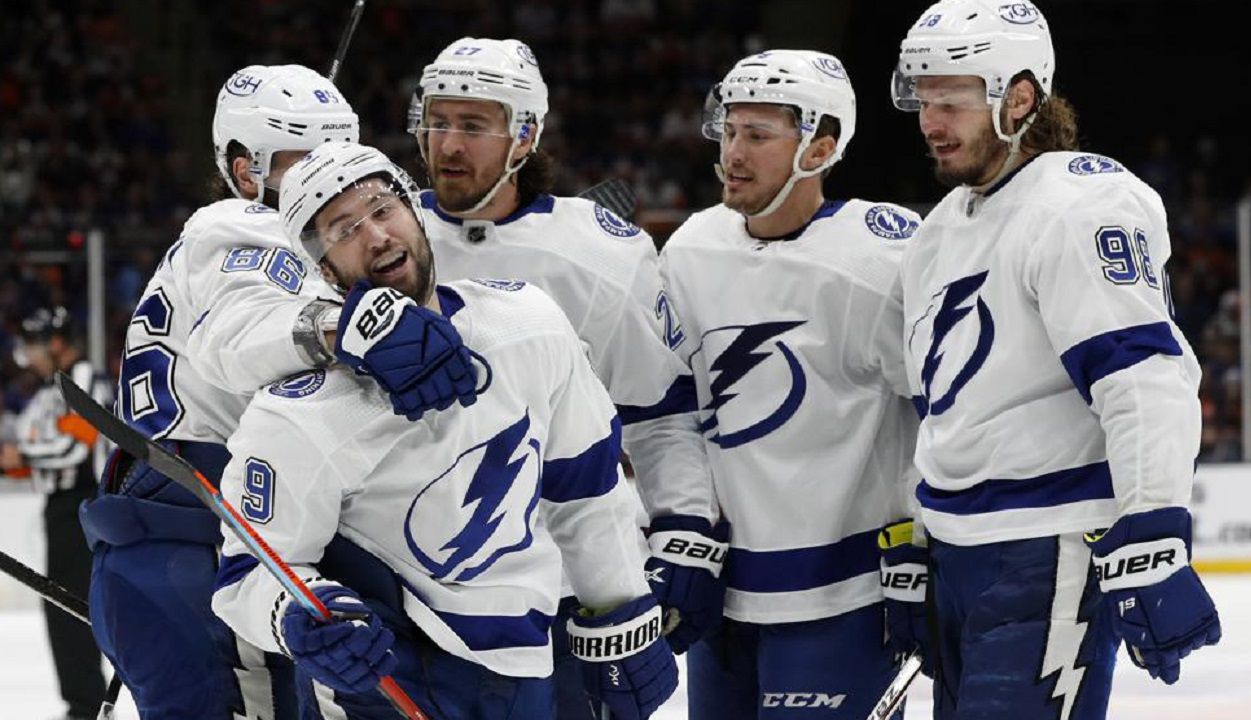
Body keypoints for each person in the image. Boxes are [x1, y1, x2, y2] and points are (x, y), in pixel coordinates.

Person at [212, 140, 678, 720]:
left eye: (383, 210)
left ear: (416, 212)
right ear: (324, 269)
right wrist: (296, 617)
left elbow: (584, 489)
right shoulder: (300, 413)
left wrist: (620, 609)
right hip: (384, 687)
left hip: (527, 670)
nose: (376, 236)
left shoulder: (527, 324)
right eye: (343, 230)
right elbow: (245, 574)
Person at [78, 64, 474, 719]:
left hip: (168, 554)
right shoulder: (244, 225)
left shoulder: (266, 240)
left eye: (341, 156)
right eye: (302, 161)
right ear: (244, 174)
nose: (328, 177)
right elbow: (239, 332)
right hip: (203, 559)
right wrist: (347, 327)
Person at [890, 1, 1222, 717]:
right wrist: (916, 544)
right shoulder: (940, 228)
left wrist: (1154, 534)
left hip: (1047, 552)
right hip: (955, 553)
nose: (930, 120)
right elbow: (943, 407)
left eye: (953, 98)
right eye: (923, 98)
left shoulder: (1080, 203)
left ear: (1019, 97)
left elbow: (1143, 376)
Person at [405, 37, 717, 718]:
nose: (448, 144)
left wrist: (683, 528)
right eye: (438, 120)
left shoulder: (596, 254)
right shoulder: (384, 234)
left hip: (559, 596)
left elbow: (661, 413)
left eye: (474, 125)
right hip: (405, 591)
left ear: (524, 135)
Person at [657, 50, 923, 718]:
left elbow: (943, 409)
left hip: (846, 597)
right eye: (730, 130)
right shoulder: (691, 249)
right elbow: (671, 413)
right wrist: (683, 534)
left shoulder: (879, 258)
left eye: (757, 135)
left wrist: (921, 544)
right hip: (724, 597)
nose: (732, 153)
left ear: (820, 146)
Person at [1, 307, 110, 720]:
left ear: (57, 342)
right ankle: (81, 702)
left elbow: (75, 448)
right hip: (62, 507)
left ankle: (85, 706)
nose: (29, 354)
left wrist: (22, 454)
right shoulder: (52, 388)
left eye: (35, 344)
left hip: (79, 505)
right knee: (61, 606)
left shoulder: (82, 379)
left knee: (69, 606)